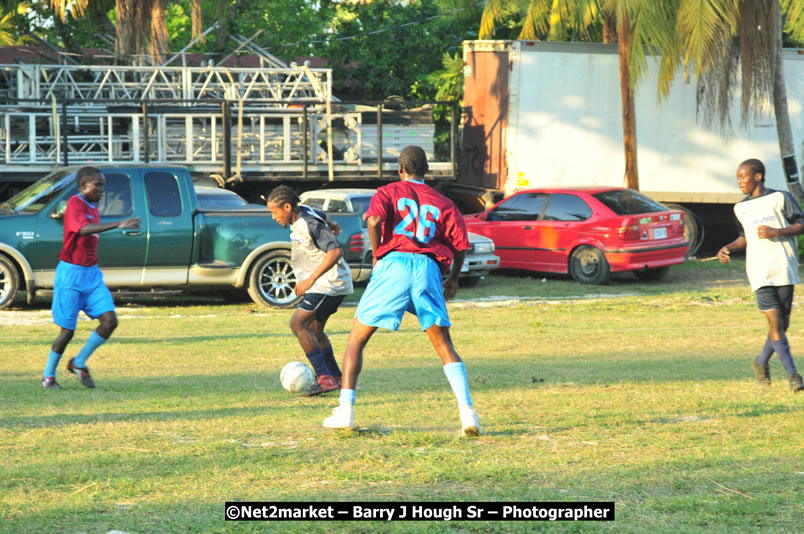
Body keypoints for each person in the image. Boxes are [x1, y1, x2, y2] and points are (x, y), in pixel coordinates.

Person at [322, 145, 481, 435]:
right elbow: (460, 246)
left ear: (401, 169)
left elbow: (373, 220)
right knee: (444, 344)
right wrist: (454, 279)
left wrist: (379, 252)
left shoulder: (388, 191)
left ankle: (345, 411)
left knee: (357, 339)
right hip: (428, 268)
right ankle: (468, 413)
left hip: (394, 263)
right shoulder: (444, 202)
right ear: (427, 171)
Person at [42, 166, 141, 389]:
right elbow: (83, 229)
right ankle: (48, 376)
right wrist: (118, 223)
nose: (102, 189)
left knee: (109, 321)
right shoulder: (75, 204)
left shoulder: (92, 206)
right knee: (67, 331)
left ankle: (78, 362)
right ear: (84, 185)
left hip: (92, 275)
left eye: (103, 185)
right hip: (71, 276)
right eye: (98, 185)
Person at [718, 158, 804, 392]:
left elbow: (801, 223)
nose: (739, 182)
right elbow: (743, 237)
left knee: (782, 323)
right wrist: (728, 248)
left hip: (783, 267)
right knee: (775, 321)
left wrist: (778, 231)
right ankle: (794, 376)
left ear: (757, 176)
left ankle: (761, 361)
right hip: (758, 272)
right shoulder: (740, 208)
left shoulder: (780, 198)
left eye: (742, 177)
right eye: (737, 178)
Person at [266, 185, 353, 396]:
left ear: (287, 207)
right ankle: (336, 378)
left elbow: (335, 251)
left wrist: (310, 280)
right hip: (324, 284)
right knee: (315, 330)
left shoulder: (307, 223)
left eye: (274, 212)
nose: (273, 217)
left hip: (329, 284)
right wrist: (332, 224)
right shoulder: (304, 212)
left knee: (297, 323)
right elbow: (320, 214)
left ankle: (324, 379)